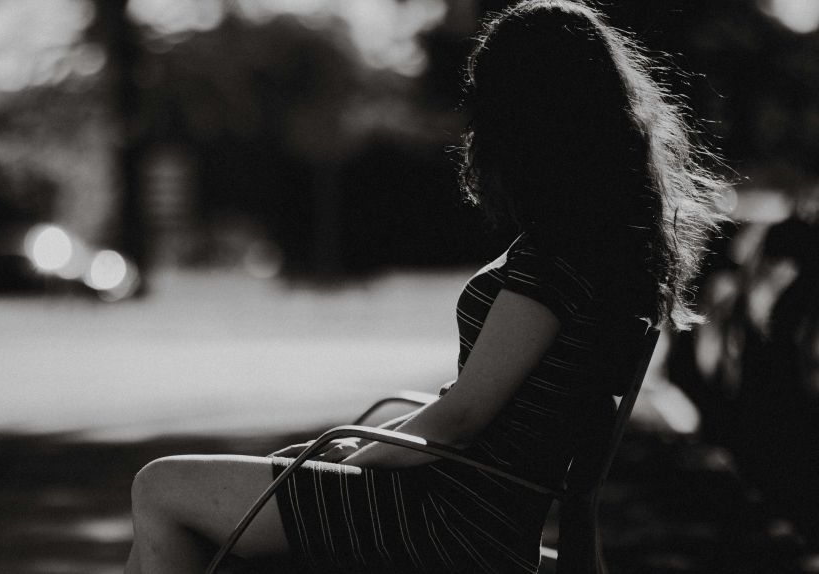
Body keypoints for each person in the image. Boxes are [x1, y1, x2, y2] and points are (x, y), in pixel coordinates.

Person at [125, 1, 728, 572]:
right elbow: (494, 411)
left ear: (526, 118)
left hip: (448, 522)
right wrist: (353, 452)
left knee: (160, 487)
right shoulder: (598, 254)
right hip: (467, 511)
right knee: (228, 502)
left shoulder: (554, 263)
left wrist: (358, 457)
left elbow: (461, 418)